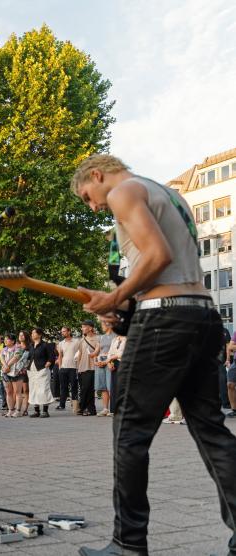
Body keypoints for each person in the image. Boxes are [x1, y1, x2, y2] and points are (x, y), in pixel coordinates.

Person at [73, 154, 236, 556]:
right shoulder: (173, 196)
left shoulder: (125, 191)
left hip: (164, 322)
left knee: (130, 433)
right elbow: (170, 267)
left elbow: (156, 255)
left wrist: (115, 296)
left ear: (97, 175)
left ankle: (128, 545)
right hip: (202, 315)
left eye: (87, 197)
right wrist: (123, 305)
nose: (94, 206)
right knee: (211, 431)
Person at [26, 328, 55, 418]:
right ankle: (36, 411)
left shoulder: (45, 345)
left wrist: (48, 363)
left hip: (42, 369)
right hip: (32, 370)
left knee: (43, 390)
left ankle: (45, 411)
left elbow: (52, 356)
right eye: (32, 333)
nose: (32, 334)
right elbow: (29, 357)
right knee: (33, 390)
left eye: (34, 333)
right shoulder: (30, 345)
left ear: (39, 335)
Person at [76, 320, 100, 416]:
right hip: (82, 367)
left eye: (84, 327)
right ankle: (89, 409)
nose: (82, 329)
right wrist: (78, 368)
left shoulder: (97, 339)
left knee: (88, 388)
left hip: (92, 367)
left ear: (90, 328)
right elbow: (80, 354)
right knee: (84, 389)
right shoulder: (82, 340)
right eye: (82, 327)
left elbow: (99, 352)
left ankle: (84, 407)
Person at [55, 326, 80, 411]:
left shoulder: (76, 342)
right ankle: (62, 405)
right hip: (63, 368)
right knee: (63, 387)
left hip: (73, 367)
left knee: (74, 386)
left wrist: (78, 367)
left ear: (69, 331)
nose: (63, 333)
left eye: (64, 331)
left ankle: (75, 405)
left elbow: (80, 353)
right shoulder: (61, 343)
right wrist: (60, 368)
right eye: (62, 332)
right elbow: (60, 356)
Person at [95, 321, 117, 416]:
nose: (102, 326)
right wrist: (96, 360)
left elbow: (116, 351)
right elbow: (97, 351)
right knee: (103, 386)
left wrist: (108, 361)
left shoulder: (116, 336)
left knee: (110, 386)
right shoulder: (101, 337)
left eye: (103, 324)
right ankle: (105, 409)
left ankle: (113, 409)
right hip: (101, 360)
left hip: (110, 361)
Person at [1, 334, 26, 418]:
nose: (5, 341)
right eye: (4, 339)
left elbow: (17, 357)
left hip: (17, 372)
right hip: (6, 372)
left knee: (17, 392)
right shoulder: (4, 349)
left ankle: (18, 410)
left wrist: (7, 366)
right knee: (8, 392)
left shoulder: (18, 348)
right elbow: (1, 358)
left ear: (12, 341)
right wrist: (5, 366)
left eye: (7, 339)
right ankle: (10, 410)